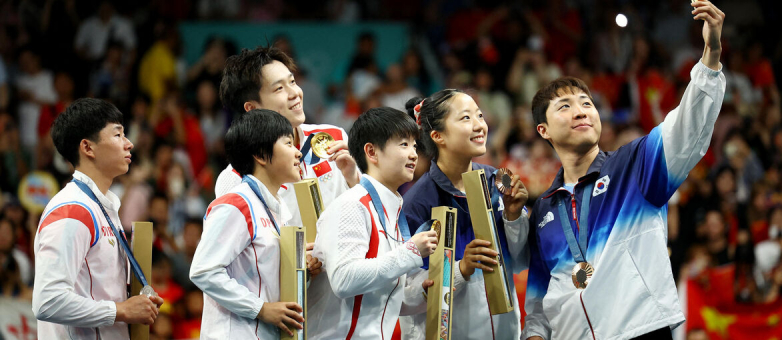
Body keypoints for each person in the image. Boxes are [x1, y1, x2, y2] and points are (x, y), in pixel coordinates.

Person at [520, 0, 726, 339]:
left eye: (587, 103)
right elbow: (540, 301)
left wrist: (711, 57)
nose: (582, 111)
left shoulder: (634, 165)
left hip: (640, 331)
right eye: (565, 106)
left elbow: (688, 127)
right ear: (543, 130)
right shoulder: (543, 208)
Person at [400, 90, 530, 340]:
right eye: (466, 118)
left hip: (507, 332)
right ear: (438, 136)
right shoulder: (416, 204)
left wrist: (514, 217)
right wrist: (460, 268)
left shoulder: (496, 181)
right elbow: (406, 293)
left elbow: (523, 260)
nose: (480, 125)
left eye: (479, 115)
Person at [32, 98, 163, 339]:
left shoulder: (102, 206)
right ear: (88, 147)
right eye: (118, 135)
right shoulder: (72, 210)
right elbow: (47, 302)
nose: (129, 143)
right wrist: (121, 310)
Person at [307, 107, 438, 339]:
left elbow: (379, 298)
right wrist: (410, 251)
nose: (413, 154)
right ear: (372, 152)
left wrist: (421, 294)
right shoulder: (352, 205)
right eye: (403, 144)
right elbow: (344, 280)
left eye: (415, 146)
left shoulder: (392, 211)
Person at [190, 109, 322, 339]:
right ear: (261, 154)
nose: (298, 153)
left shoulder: (278, 209)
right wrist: (261, 309)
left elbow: (265, 281)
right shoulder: (236, 204)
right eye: (289, 144)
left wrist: (304, 271)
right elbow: (203, 271)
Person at [216, 45, 359, 227]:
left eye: (292, 82)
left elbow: (367, 215)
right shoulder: (236, 177)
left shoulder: (332, 137)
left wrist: (354, 179)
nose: (295, 94)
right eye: (279, 89)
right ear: (252, 108)